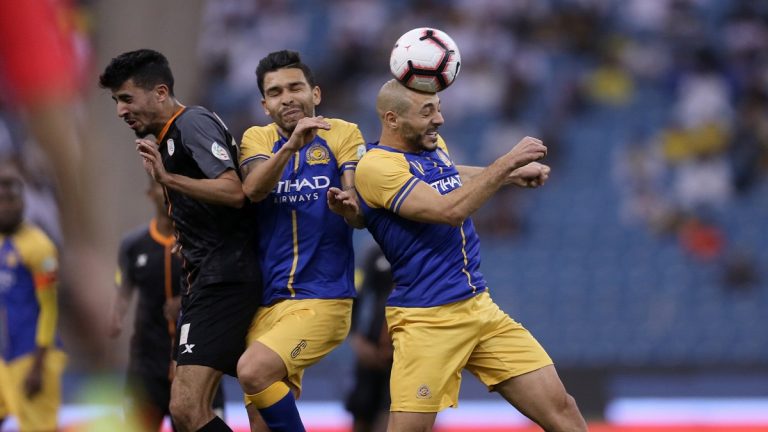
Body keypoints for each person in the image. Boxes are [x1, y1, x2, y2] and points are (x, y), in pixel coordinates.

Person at [349, 79, 588, 431]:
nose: (439, 120)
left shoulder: (432, 147)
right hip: (426, 320)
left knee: (562, 408)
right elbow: (449, 210)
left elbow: (450, 176)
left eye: (439, 109)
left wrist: (511, 175)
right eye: (427, 112)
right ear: (392, 119)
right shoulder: (375, 168)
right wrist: (507, 161)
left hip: (479, 308)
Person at [99, 49, 261, 432]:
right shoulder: (171, 136)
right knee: (203, 407)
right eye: (116, 102)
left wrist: (167, 180)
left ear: (159, 92)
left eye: (126, 98)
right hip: (208, 276)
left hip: (225, 279)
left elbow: (233, 190)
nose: (121, 111)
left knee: (187, 408)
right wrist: (189, 236)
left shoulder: (192, 123)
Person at [235, 50, 365, 432]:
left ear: (316, 94)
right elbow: (254, 189)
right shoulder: (256, 138)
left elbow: (357, 211)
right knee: (262, 422)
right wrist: (290, 145)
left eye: (295, 87)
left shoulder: (343, 133)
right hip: (267, 302)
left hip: (323, 299)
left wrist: (348, 209)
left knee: (252, 369)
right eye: (275, 92)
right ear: (265, 104)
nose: (287, 97)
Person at [109, 179, 225, 431]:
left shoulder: (202, 241)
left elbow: (222, 291)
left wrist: (184, 304)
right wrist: (116, 316)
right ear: (150, 192)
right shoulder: (133, 244)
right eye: (162, 187)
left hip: (197, 362)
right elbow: (123, 289)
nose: (169, 193)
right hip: (148, 364)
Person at [0, 160, 67, 432]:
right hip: (5, 357)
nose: (6, 205)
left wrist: (38, 365)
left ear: (23, 200)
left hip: (32, 357)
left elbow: (49, 307)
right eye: (0, 199)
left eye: (12, 198)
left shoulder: (41, 248)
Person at [345, 245, 394, 432]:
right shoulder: (374, 252)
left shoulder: (425, 248)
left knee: (396, 411)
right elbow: (355, 294)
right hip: (372, 345)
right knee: (362, 411)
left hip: (408, 348)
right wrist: (357, 338)